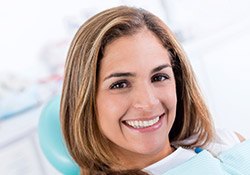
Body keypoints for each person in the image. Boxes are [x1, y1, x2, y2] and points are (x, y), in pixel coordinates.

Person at [60, 6, 248, 175]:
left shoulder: (223, 142)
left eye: (159, 78)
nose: (149, 102)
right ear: (84, 100)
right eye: (120, 84)